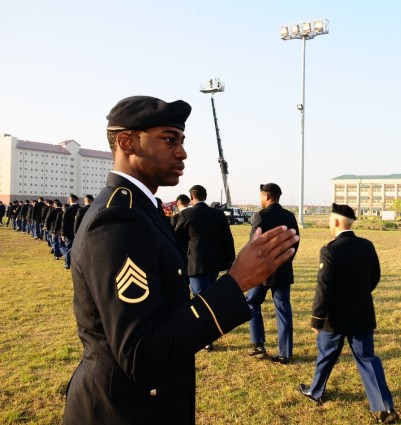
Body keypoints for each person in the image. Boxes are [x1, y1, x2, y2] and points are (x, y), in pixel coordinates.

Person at [62, 95, 299, 424]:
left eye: (182, 140)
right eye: (169, 140)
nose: (182, 152)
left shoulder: (143, 209)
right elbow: (141, 353)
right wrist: (235, 282)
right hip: (121, 411)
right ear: (127, 143)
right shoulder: (118, 220)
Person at [298, 203, 398, 424]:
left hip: (334, 318)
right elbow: (375, 277)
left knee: (326, 355)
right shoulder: (367, 245)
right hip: (362, 313)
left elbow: (323, 287)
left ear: (335, 222)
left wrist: (317, 317)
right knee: (367, 358)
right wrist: (359, 296)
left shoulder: (330, 249)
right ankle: (385, 407)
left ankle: (316, 392)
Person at [246, 183, 299, 364]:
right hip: (283, 269)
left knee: (251, 302)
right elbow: (295, 242)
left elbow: (254, 245)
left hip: (262, 272)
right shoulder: (290, 216)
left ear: (267, 196)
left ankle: (258, 345)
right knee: (283, 309)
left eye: (261, 196)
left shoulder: (260, 216)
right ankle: (285, 353)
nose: (260, 199)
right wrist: (285, 261)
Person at [175, 184, 235, 296]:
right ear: (205, 197)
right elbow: (227, 239)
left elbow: (176, 237)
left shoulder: (186, 214)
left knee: (201, 298)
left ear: (191, 197)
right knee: (210, 295)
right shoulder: (218, 214)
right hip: (214, 262)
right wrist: (230, 260)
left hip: (195, 263)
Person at [60, 194, 80, 269]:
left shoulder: (68, 210)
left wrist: (63, 233)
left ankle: (67, 263)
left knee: (69, 248)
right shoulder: (80, 209)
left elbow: (64, 222)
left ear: (70, 199)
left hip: (69, 233)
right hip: (79, 233)